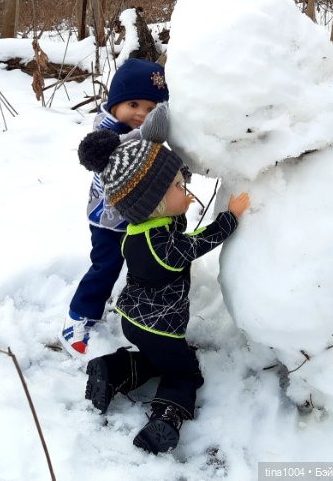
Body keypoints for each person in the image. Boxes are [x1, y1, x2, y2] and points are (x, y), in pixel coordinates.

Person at [77, 127, 250, 454]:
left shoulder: (139, 231)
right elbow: (198, 243)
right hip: (159, 327)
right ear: (152, 203)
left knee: (157, 361)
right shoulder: (161, 247)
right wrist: (231, 218)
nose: (185, 191)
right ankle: (167, 417)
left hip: (137, 320)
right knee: (183, 372)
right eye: (176, 186)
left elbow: (178, 228)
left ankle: (111, 371)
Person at [60, 58, 170, 357]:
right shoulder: (105, 132)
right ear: (115, 103)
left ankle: (135, 313)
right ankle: (79, 315)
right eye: (133, 104)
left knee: (141, 268)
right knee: (106, 266)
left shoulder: (152, 131)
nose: (140, 114)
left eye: (151, 109)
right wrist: (152, 132)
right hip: (107, 221)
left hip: (140, 218)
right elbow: (114, 151)